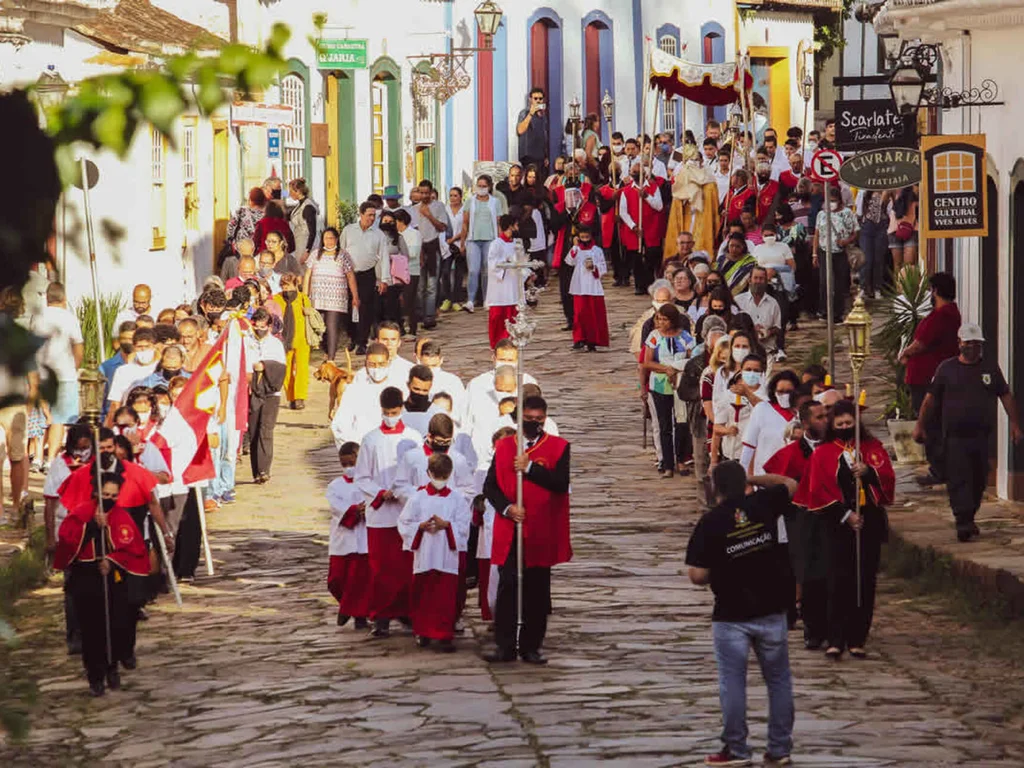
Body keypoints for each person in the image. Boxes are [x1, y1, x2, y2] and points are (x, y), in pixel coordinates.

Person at [685, 462, 797, 767]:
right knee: (779, 681)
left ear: (714, 488)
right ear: (744, 484)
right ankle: (779, 748)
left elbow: (697, 575)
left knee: (732, 683)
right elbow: (789, 482)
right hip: (771, 608)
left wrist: (723, 563)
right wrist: (751, 478)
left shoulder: (711, 522)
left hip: (731, 614)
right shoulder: (764, 503)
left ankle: (736, 749)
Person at [794, 400, 895, 659]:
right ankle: (835, 637)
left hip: (868, 521)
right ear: (832, 425)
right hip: (836, 524)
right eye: (839, 424)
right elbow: (817, 491)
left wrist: (869, 472)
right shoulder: (823, 453)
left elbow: (887, 478)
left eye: (849, 423)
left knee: (864, 580)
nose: (845, 427)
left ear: (856, 424)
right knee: (837, 580)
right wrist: (846, 514)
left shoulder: (871, 448)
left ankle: (857, 637)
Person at [482, 396, 571, 664]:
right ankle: (505, 646)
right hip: (511, 528)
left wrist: (530, 468)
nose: (534, 424)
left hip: (540, 529)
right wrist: (507, 508)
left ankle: (532, 645)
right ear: (519, 418)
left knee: (537, 589)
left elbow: (560, 483)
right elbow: (490, 486)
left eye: (539, 420)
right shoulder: (504, 446)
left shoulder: (558, 447)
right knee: (508, 587)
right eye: (528, 419)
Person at [914, 322, 1023, 542]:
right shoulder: (946, 369)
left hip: (981, 437)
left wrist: (1015, 424)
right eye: (968, 342)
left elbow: (1005, 395)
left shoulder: (990, 369)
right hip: (955, 438)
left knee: (978, 480)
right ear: (959, 343)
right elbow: (930, 400)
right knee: (959, 479)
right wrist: (920, 425)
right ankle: (962, 521)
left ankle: (969, 516)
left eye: (976, 343)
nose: (972, 347)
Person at [53, 472, 149, 696]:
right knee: (92, 630)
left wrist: (113, 560)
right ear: (96, 492)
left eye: (114, 495)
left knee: (117, 625)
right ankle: (95, 675)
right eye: (105, 494)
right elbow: (68, 541)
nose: (109, 498)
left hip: (113, 578)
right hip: (86, 578)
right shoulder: (81, 513)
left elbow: (133, 549)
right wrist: (92, 528)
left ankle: (113, 665)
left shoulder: (121, 516)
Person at [355, 386, 424, 638]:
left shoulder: (414, 438)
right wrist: (380, 492)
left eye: (394, 412)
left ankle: (407, 611)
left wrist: (406, 493)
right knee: (381, 567)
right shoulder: (371, 440)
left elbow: (420, 473)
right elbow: (362, 476)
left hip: (407, 510)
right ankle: (381, 616)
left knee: (407, 566)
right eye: (386, 412)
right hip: (381, 513)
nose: (390, 416)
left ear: (402, 408)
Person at [764, 399, 829, 649]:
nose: (825, 421)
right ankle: (812, 631)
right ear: (805, 422)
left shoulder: (838, 447)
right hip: (801, 521)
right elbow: (776, 482)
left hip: (833, 519)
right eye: (819, 417)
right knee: (808, 575)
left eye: (826, 416)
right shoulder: (790, 454)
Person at [397, 452, 472, 651]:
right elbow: (404, 522)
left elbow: (464, 525)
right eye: (436, 476)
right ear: (428, 473)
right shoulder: (417, 498)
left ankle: (444, 634)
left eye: (443, 476)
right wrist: (419, 527)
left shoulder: (457, 499)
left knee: (445, 597)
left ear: (449, 474)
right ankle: (423, 632)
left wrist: (447, 525)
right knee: (423, 594)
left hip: (447, 557)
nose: (439, 480)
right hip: (425, 555)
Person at [900, 272, 961, 487]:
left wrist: (905, 353)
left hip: (928, 377)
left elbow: (922, 343)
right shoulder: (947, 313)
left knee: (930, 424)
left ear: (935, 290)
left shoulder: (942, 316)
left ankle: (938, 469)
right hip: (926, 375)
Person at [31, 282, 84, 462]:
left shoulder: (37, 317)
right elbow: (78, 347)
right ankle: (51, 459)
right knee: (59, 419)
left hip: (40, 373)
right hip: (65, 374)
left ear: (47, 298)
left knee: (40, 419)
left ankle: (37, 457)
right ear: (64, 298)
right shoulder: (70, 318)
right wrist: (73, 367)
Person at [642, 304, 693, 479]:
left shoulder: (685, 337)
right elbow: (647, 362)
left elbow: (691, 358)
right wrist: (665, 369)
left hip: (680, 385)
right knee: (664, 425)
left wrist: (678, 369)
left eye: (665, 319)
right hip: (660, 385)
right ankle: (668, 463)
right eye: (659, 319)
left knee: (681, 423)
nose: (661, 323)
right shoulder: (654, 337)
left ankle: (680, 459)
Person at [326, 441, 371, 630]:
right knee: (336, 579)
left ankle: (358, 614)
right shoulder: (335, 486)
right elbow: (336, 507)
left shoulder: (369, 483)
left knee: (359, 581)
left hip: (363, 539)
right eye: (344, 464)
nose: (348, 468)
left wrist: (367, 510)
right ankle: (346, 605)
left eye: (351, 464)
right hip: (343, 538)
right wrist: (354, 510)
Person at [340, 202, 391, 354]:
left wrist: (383, 279)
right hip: (349, 274)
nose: (371, 218)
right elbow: (341, 251)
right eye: (369, 215)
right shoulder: (348, 231)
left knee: (365, 308)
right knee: (348, 307)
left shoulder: (378, 234)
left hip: (367, 274)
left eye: (374, 216)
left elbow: (383, 257)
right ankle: (352, 337)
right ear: (361, 214)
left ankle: (362, 341)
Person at [303, 226, 358, 363]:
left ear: (337, 239)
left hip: (336, 298)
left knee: (332, 327)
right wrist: (304, 296)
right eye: (326, 238)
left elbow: (350, 276)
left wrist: (355, 296)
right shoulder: (315, 254)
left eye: (331, 238)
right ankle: (324, 351)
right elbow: (307, 276)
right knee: (319, 326)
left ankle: (331, 358)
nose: (328, 241)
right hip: (317, 297)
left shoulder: (343, 255)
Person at [331, 343, 403, 446]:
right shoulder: (355, 389)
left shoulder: (399, 388)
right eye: (372, 364)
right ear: (366, 364)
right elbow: (340, 424)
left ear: (389, 363)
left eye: (381, 364)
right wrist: (353, 447)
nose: (377, 368)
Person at [247, 308, 287, 484]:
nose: (260, 330)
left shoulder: (276, 345)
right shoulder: (246, 341)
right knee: (254, 430)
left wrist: (264, 365)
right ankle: (256, 471)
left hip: (271, 392)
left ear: (270, 327)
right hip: (252, 391)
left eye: (264, 326)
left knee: (266, 430)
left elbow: (281, 369)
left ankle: (265, 470)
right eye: (257, 326)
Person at [812, 185, 858, 324]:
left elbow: (855, 232)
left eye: (833, 200)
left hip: (840, 252)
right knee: (825, 282)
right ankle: (824, 311)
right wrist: (814, 254)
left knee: (839, 284)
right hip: (824, 251)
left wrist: (846, 241)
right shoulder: (821, 214)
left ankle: (838, 313)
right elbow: (817, 234)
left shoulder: (847, 213)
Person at [741, 370, 800, 477]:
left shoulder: (803, 412)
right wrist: (744, 480)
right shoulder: (762, 409)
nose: (784, 395)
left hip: (795, 477)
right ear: (773, 391)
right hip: (764, 477)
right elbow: (749, 447)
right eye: (780, 392)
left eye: (789, 391)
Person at [565, 226, 609, 352]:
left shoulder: (597, 250)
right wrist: (574, 246)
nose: (585, 240)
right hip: (579, 286)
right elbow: (569, 261)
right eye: (582, 237)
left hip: (593, 285)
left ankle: (592, 340)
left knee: (593, 315)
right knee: (579, 314)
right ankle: (579, 339)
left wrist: (594, 268)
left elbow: (603, 267)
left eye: (587, 237)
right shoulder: (577, 249)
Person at [461, 175, 502, 313]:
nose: (481, 188)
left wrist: (501, 241)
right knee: (473, 270)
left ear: (489, 187)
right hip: (473, 240)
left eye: (484, 186)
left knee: (487, 270)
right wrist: (462, 242)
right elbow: (465, 223)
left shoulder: (495, 202)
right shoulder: (470, 201)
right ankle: (471, 300)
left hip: (490, 239)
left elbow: (498, 222)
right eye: (479, 185)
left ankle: (487, 299)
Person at [272, 273, 312, 410]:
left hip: (302, 339)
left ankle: (300, 397)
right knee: (286, 370)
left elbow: (310, 316)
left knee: (302, 368)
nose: (286, 288)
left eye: (288, 285)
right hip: (284, 340)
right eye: (283, 285)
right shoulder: (276, 299)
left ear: (296, 285)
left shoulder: (303, 298)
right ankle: (291, 397)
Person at [485, 214, 523, 350]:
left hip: (513, 284)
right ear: (510, 226)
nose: (518, 227)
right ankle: (496, 343)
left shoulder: (517, 243)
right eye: (516, 224)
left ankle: (511, 340)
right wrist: (505, 263)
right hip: (499, 286)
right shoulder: (496, 244)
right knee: (498, 316)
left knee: (512, 314)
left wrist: (527, 274)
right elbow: (492, 263)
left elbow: (521, 261)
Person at [104, 327, 160, 421]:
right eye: (139, 347)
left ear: (154, 346)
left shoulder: (159, 368)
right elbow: (115, 403)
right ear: (134, 347)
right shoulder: (123, 371)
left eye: (147, 346)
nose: (143, 350)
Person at [734, 266, 783, 360]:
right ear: (749, 280)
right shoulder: (738, 301)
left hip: (767, 352)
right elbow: (733, 327)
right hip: (745, 352)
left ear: (766, 281)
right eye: (755, 278)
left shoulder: (773, 303)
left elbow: (778, 328)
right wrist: (751, 330)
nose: (758, 281)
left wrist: (768, 331)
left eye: (761, 279)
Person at [855, 189, 890, 298]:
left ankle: (877, 288)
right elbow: (859, 212)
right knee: (866, 258)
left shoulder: (887, 193)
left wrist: (885, 199)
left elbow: (889, 211)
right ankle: (863, 287)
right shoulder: (863, 193)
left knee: (878, 259)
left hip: (882, 226)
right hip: (867, 227)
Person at [439, 186, 466, 312]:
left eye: (455, 195)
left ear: (461, 197)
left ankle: (456, 299)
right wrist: (447, 240)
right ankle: (447, 298)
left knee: (459, 273)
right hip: (446, 244)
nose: (453, 198)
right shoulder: (445, 209)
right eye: (451, 195)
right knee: (445, 271)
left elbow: (466, 226)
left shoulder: (465, 209)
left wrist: (456, 238)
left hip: (460, 242)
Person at [516, 87, 550, 170]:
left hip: (540, 157)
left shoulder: (544, 117)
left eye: (540, 98)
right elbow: (520, 130)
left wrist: (545, 156)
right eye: (535, 98)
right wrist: (531, 113)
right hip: (528, 156)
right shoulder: (524, 113)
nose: (538, 101)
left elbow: (544, 137)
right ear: (530, 100)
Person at [288, 177, 319, 265]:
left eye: (291, 191)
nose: (290, 194)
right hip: (300, 242)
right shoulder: (299, 205)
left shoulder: (308, 207)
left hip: (307, 243)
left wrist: (307, 251)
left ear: (298, 191)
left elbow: (312, 232)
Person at [716, 232, 758, 297]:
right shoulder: (721, 259)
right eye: (732, 246)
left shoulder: (750, 262)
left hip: (741, 296)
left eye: (738, 246)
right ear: (728, 245)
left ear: (743, 247)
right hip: (719, 295)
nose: (734, 249)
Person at [888, 184, 919, 269]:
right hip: (909, 228)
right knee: (908, 265)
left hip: (896, 228)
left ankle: (899, 282)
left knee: (899, 265)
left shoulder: (894, 186)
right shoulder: (916, 189)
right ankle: (902, 282)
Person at [400, 364, 435, 436]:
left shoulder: (437, 413)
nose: (420, 393)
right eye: (416, 389)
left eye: (425, 390)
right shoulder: (396, 413)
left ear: (430, 387)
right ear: (408, 385)